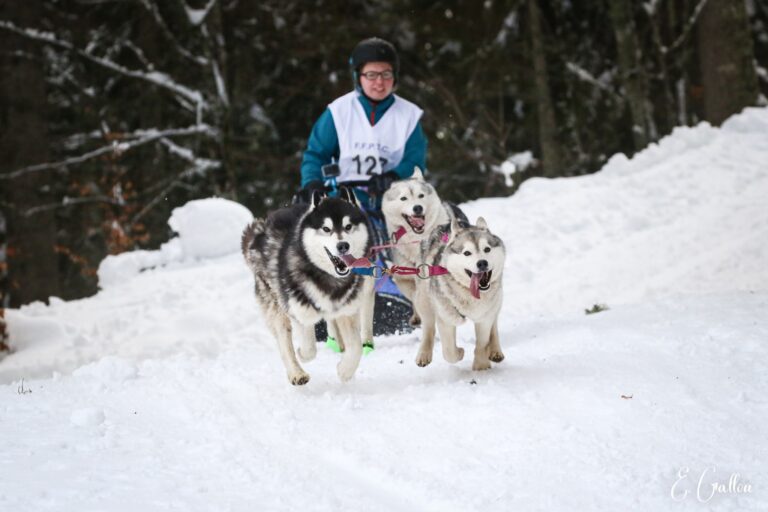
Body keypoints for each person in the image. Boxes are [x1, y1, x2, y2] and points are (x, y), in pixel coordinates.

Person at [299, 37, 427, 211]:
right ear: (358, 77)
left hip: (394, 202)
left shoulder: (408, 115)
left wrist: (393, 176)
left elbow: (415, 160)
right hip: (343, 199)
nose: (379, 82)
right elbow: (316, 154)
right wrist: (312, 182)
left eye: (386, 74)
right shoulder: (339, 112)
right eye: (371, 75)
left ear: (394, 76)